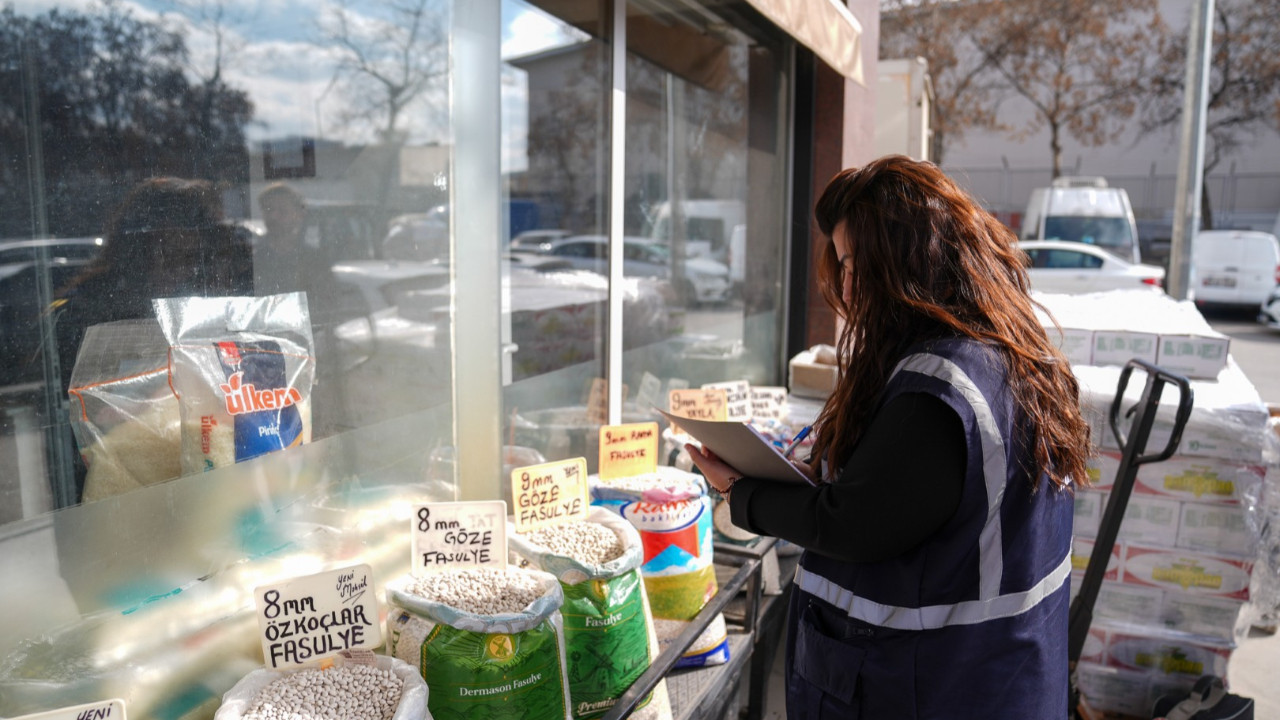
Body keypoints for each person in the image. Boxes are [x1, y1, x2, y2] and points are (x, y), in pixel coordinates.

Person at [687, 155, 1092, 719]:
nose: (847, 288)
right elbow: (910, 503)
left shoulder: (939, 389)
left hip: (930, 688)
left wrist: (741, 493)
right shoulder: (1009, 354)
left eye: (855, 265)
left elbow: (854, 526)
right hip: (998, 675)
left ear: (908, 262)